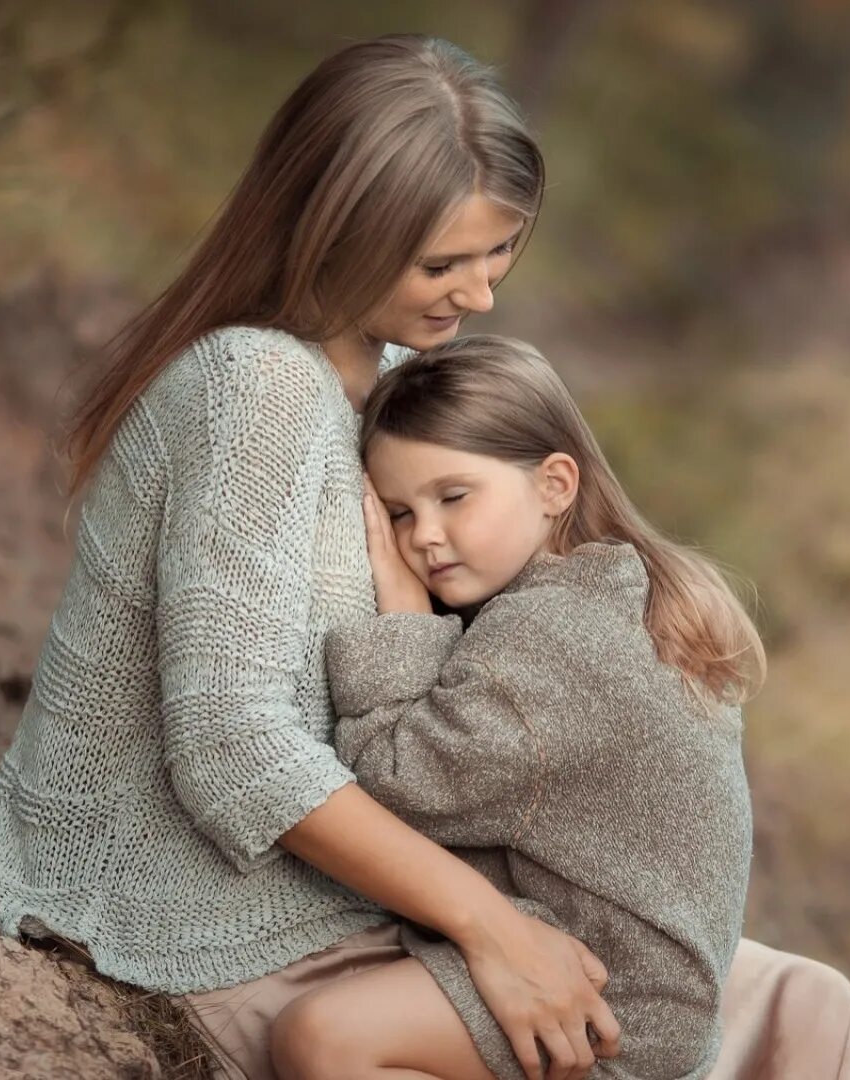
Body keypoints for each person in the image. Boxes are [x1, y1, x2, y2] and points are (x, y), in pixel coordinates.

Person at [0, 33, 850, 1080]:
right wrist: (494, 927)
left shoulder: (399, 385)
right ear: (336, 231)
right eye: (444, 265)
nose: (480, 296)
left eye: (499, 255)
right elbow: (231, 748)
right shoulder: (253, 388)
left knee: (805, 1004)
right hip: (217, 910)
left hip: (393, 882)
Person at [266, 336, 758, 1079]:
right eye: (398, 513)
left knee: (325, 1039)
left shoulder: (551, 635)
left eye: (452, 497)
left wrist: (402, 622)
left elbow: (399, 788)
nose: (423, 535)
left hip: (609, 1006)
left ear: (555, 483)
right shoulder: (614, 594)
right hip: (652, 1000)